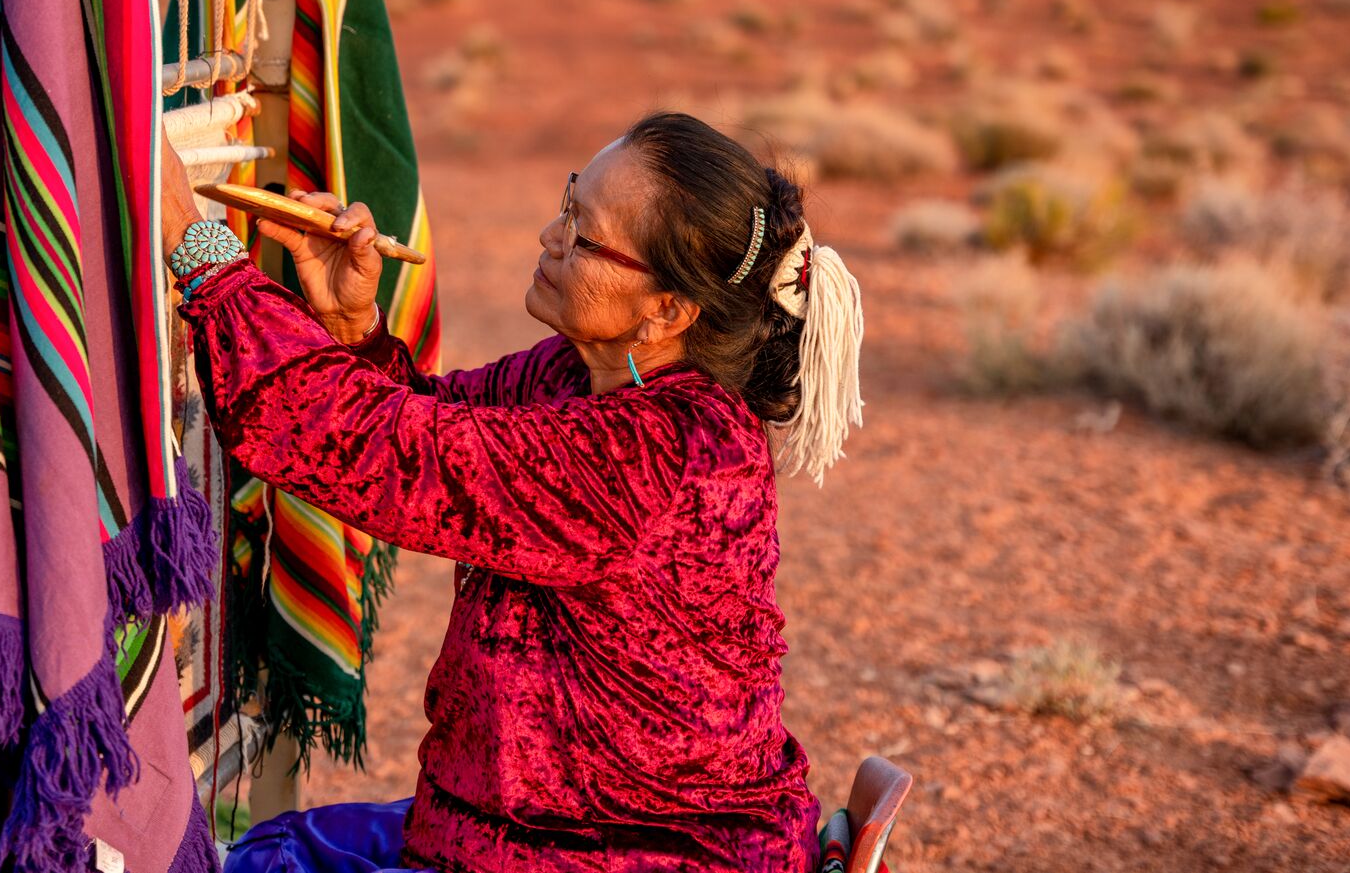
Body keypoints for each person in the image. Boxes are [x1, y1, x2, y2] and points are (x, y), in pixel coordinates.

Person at [159, 111, 866, 873]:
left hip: (630, 850)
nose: (548, 236)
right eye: (568, 203)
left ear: (668, 308)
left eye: (583, 234)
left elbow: (377, 451)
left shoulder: (666, 453)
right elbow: (430, 427)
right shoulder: (576, 377)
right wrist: (352, 326)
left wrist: (201, 253)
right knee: (264, 852)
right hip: (531, 827)